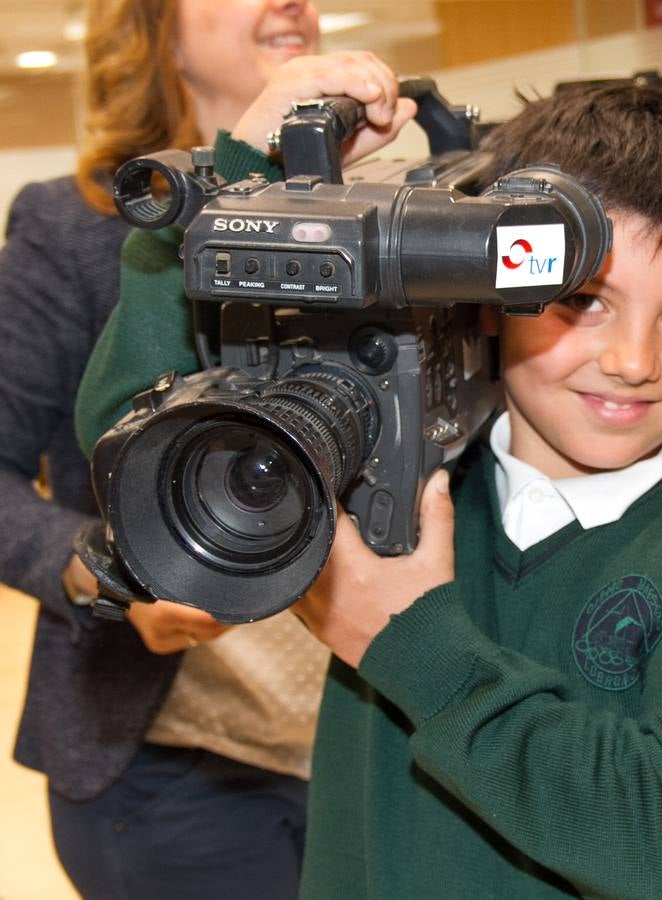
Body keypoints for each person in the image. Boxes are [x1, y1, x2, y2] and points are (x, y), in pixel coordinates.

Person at [76, 82, 662, 898]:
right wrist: (242, 167)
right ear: (491, 298)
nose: (633, 360)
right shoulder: (393, 483)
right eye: (581, 300)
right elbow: (139, 441)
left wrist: (407, 642)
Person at [0, 0, 413, 896]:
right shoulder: (70, 227)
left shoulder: (390, 207)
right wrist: (94, 573)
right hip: (175, 768)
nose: (290, 2)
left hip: (368, 747)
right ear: (154, 29)